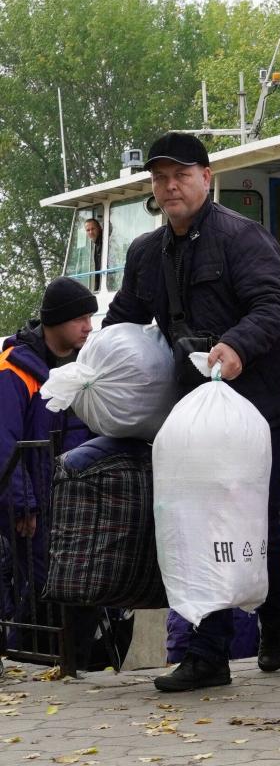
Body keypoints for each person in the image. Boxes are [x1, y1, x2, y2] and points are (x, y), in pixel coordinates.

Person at [103, 132, 280, 691]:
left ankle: (275, 617)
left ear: (206, 178)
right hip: (197, 414)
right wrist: (86, 362)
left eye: (181, 174)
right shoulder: (145, 253)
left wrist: (238, 345)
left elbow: (277, 305)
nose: (170, 185)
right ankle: (208, 655)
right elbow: (122, 321)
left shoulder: (242, 237)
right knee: (200, 520)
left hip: (265, 406)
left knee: (257, 515)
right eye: (160, 177)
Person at [1, 278, 96, 655]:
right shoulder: (14, 370)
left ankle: (68, 663)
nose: (88, 326)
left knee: (71, 590)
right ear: (55, 321)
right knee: (48, 587)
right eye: (80, 318)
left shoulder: (85, 367)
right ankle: (32, 660)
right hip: (34, 510)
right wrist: (22, 504)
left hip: (75, 505)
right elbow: (4, 441)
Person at [83, 218, 103, 291]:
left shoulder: (104, 242)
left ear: (99, 228)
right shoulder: (97, 244)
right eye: (88, 230)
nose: (91, 232)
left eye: (93, 229)